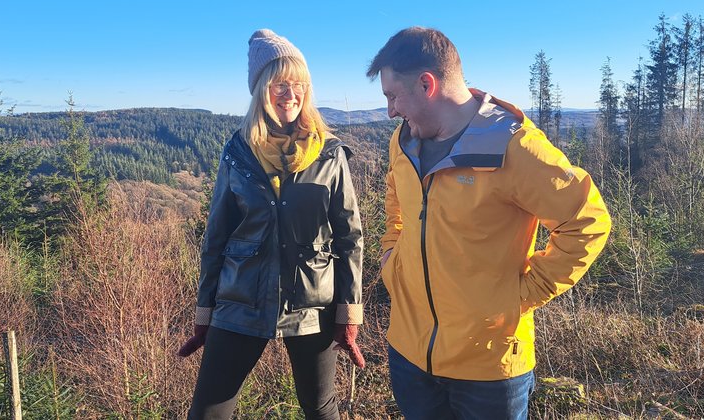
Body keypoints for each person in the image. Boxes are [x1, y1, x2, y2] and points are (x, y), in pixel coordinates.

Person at [366, 27, 612, 419]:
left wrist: (520, 296)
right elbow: (396, 196)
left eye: (393, 96)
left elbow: (587, 220)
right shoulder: (404, 140)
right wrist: (391, 253)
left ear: (427, 84)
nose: (392, 110)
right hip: (409, 355)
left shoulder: (511, 146)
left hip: (488, 371)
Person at [177, 29, 365, 420]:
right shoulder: (238, 151)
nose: (291, 94)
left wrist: (349, 315)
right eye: (281, 84)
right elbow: (217, 236)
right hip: (240, 300)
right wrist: (204, 312)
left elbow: (349, 238)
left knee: (320, 410)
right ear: (261, 88)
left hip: (313, 305)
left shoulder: (329, 154)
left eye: (299, 85)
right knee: (208, 411)